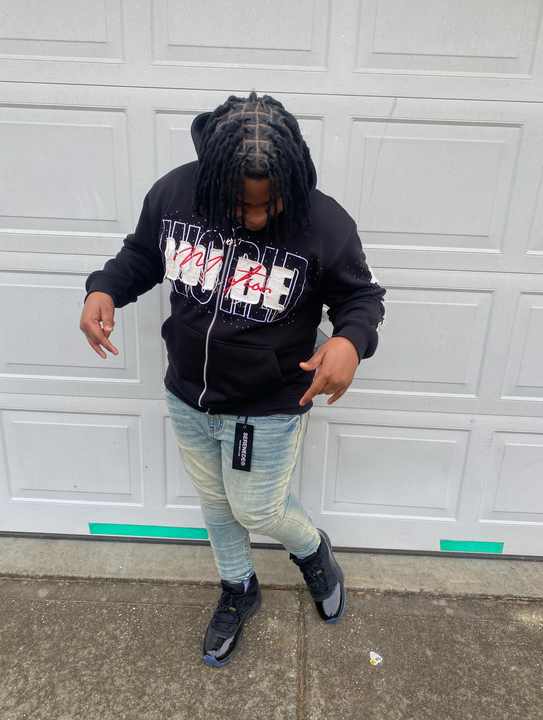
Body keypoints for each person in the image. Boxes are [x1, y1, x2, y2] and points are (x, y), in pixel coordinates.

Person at [80, 91, 386, 668]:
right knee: (217, 506)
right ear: (214, 178)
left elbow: (361, 298)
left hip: (268, 403)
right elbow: (143, 255)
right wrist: (105, 288)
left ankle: (312, 551)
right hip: (187, 396)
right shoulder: (175, 194)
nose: (257, 217)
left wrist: (350, 340)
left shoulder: (324, 222)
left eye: (271, 204)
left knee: (259, 510)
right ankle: (239, 587)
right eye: (242, 205)